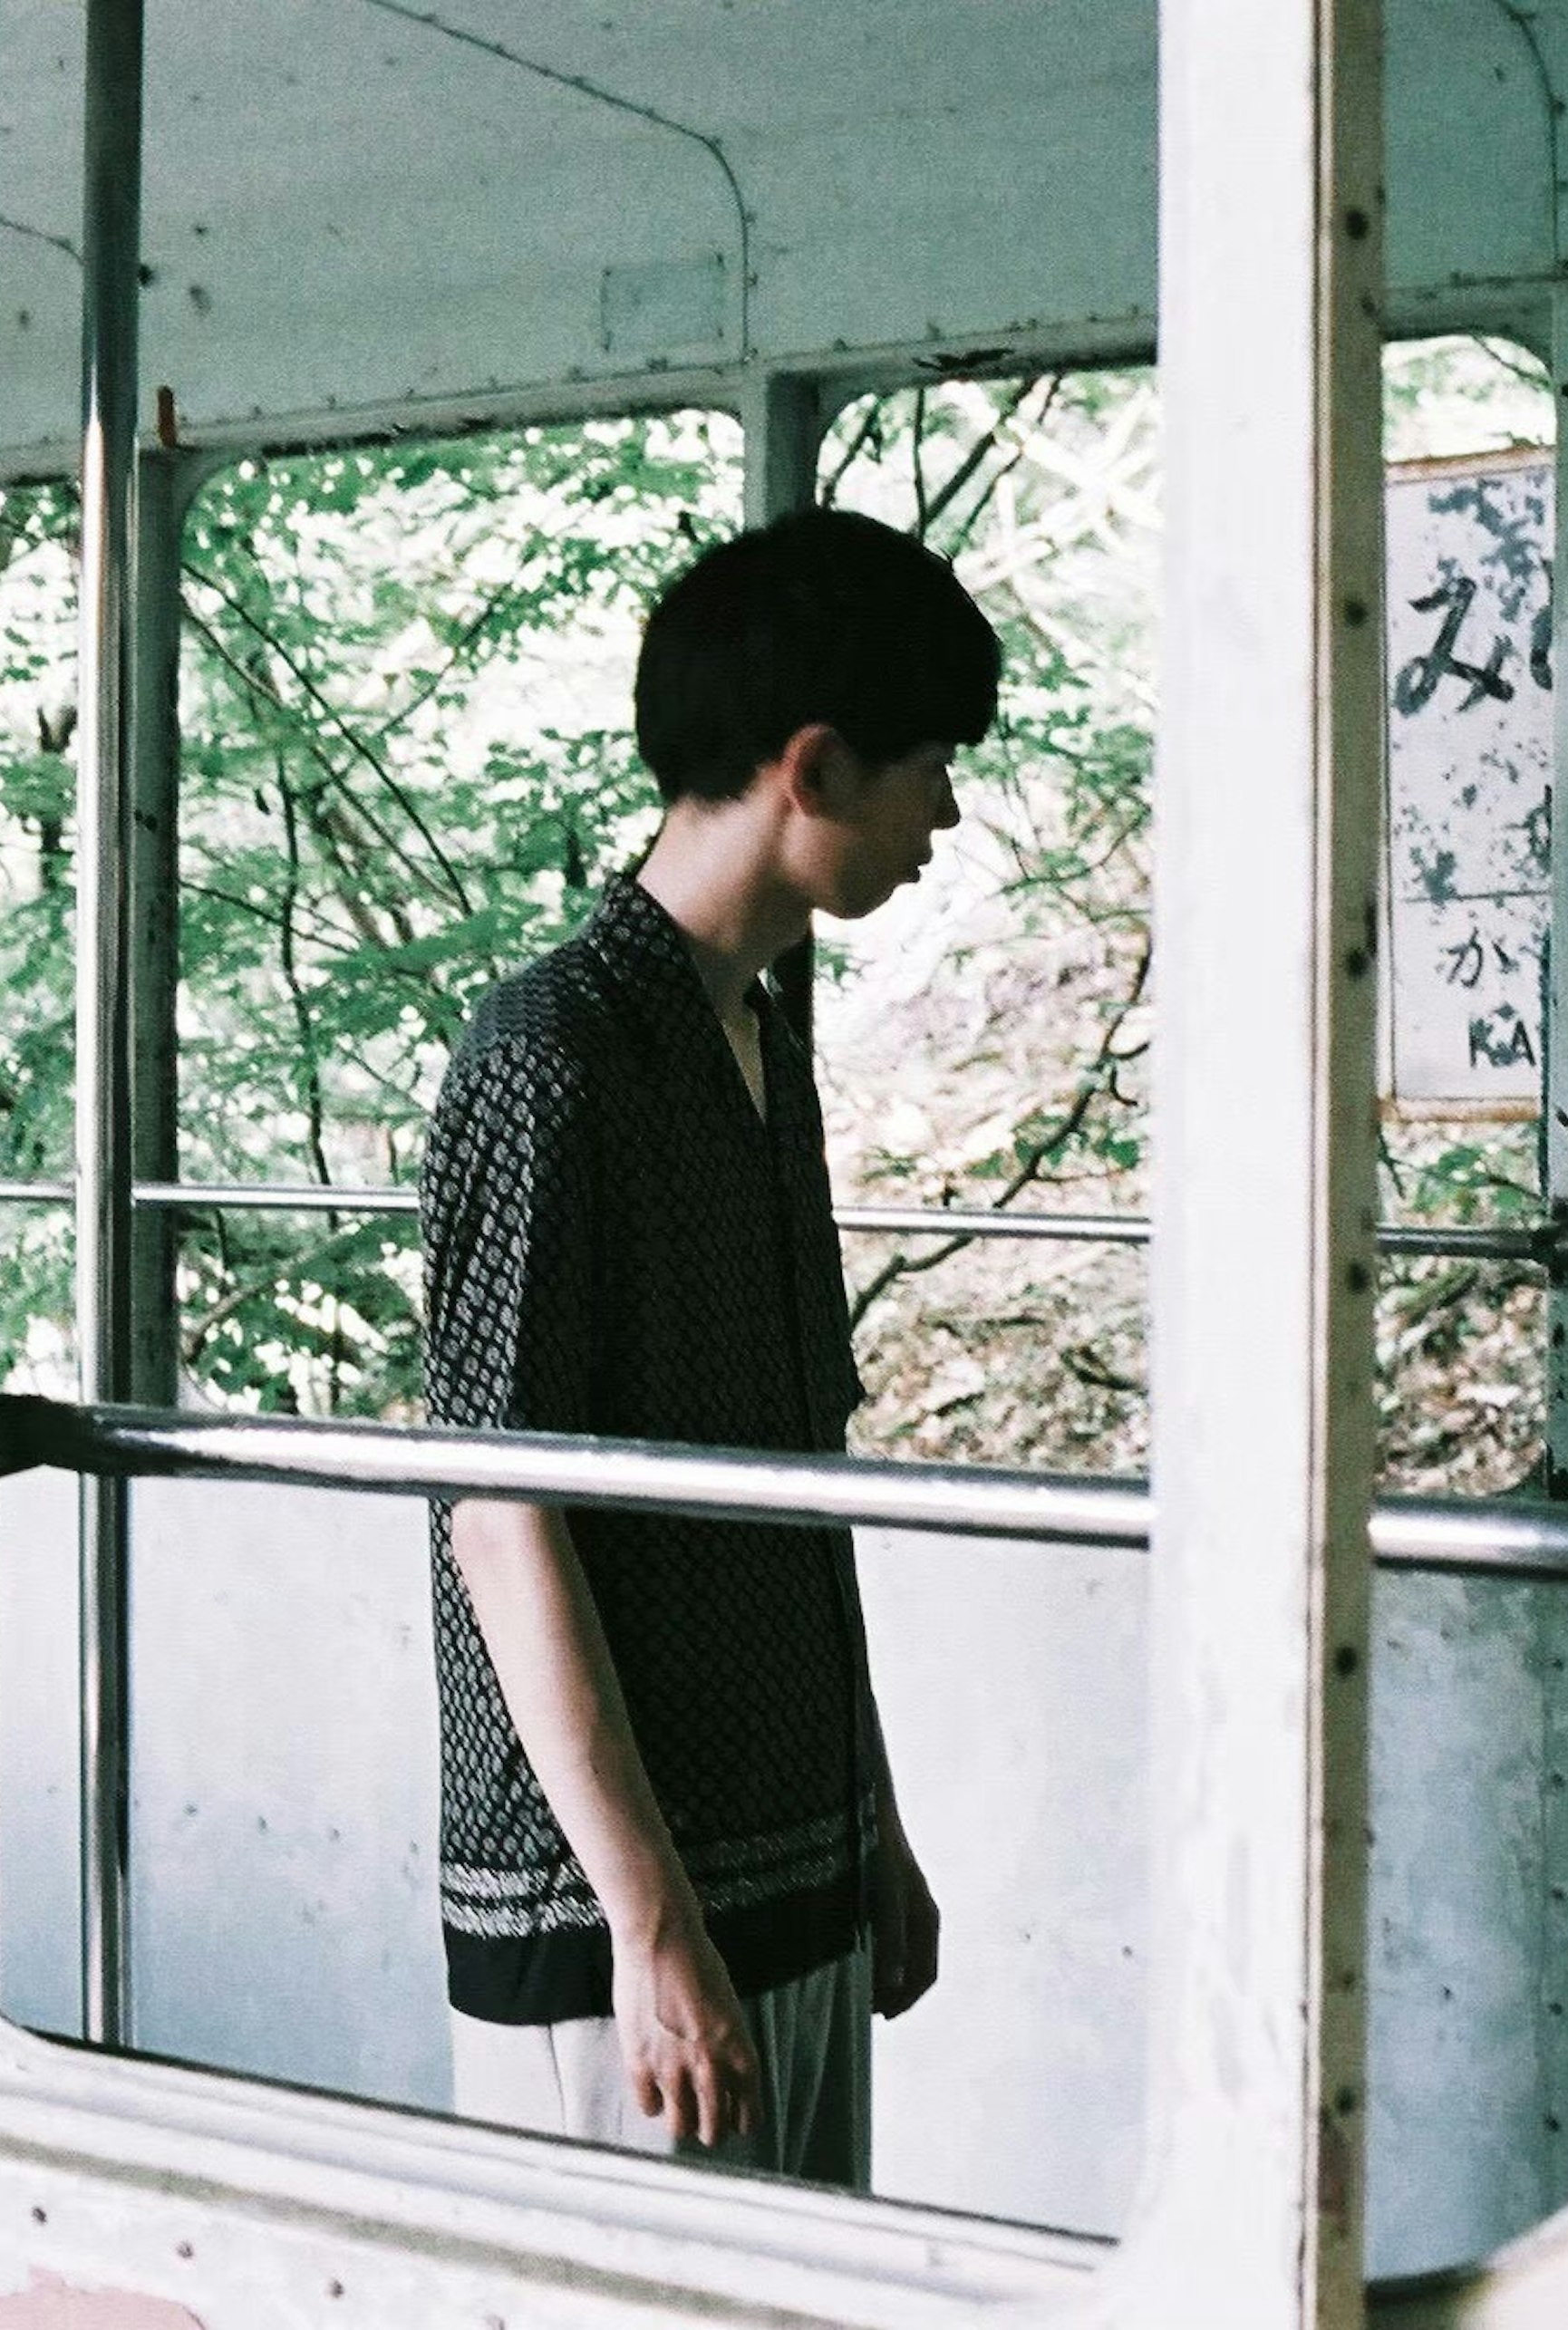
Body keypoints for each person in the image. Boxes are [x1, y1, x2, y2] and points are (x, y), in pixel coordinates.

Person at [419, 505, 998, 2184]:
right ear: (812, 770)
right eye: (928, 767)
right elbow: (497, 1511)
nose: (944, 814)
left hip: (791, 1865)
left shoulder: (764, 1041)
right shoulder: (551, 1054)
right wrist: (651, 1929)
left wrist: (869, 1822)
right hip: (612, 1914)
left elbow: (795, 1478)